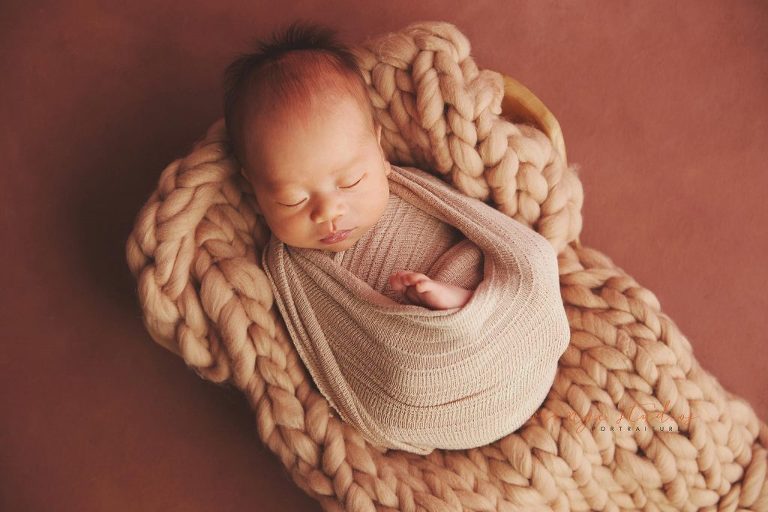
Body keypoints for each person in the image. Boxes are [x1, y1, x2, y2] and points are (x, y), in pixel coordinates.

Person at [223, 20, 482, 310]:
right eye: (292, 200)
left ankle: (465, 303)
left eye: (351, 182)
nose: (328, 212)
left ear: (379, 150)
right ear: (254, 189)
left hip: (485, 299)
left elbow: (491, 240)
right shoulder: (281, 274)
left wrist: (470, 300)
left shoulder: (418, 193)